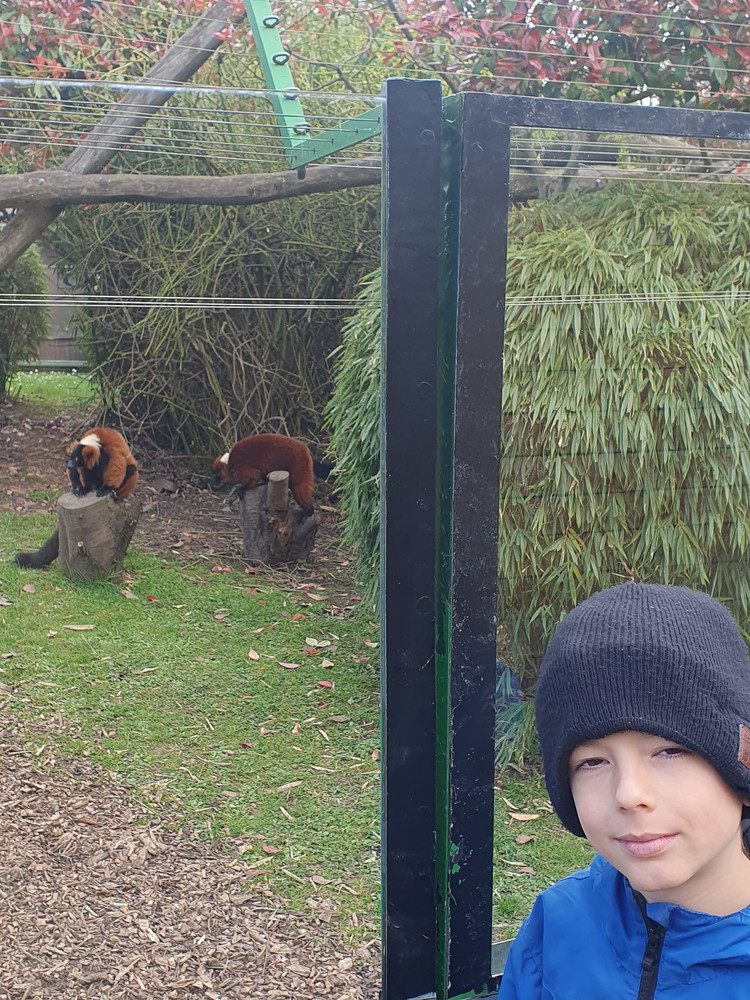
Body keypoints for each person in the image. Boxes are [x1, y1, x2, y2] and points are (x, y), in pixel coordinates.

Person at [498, 581, 750, 999]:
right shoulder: (556, 923)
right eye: (593, 762)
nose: (629, 794)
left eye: (670, 751)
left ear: (740, 768)